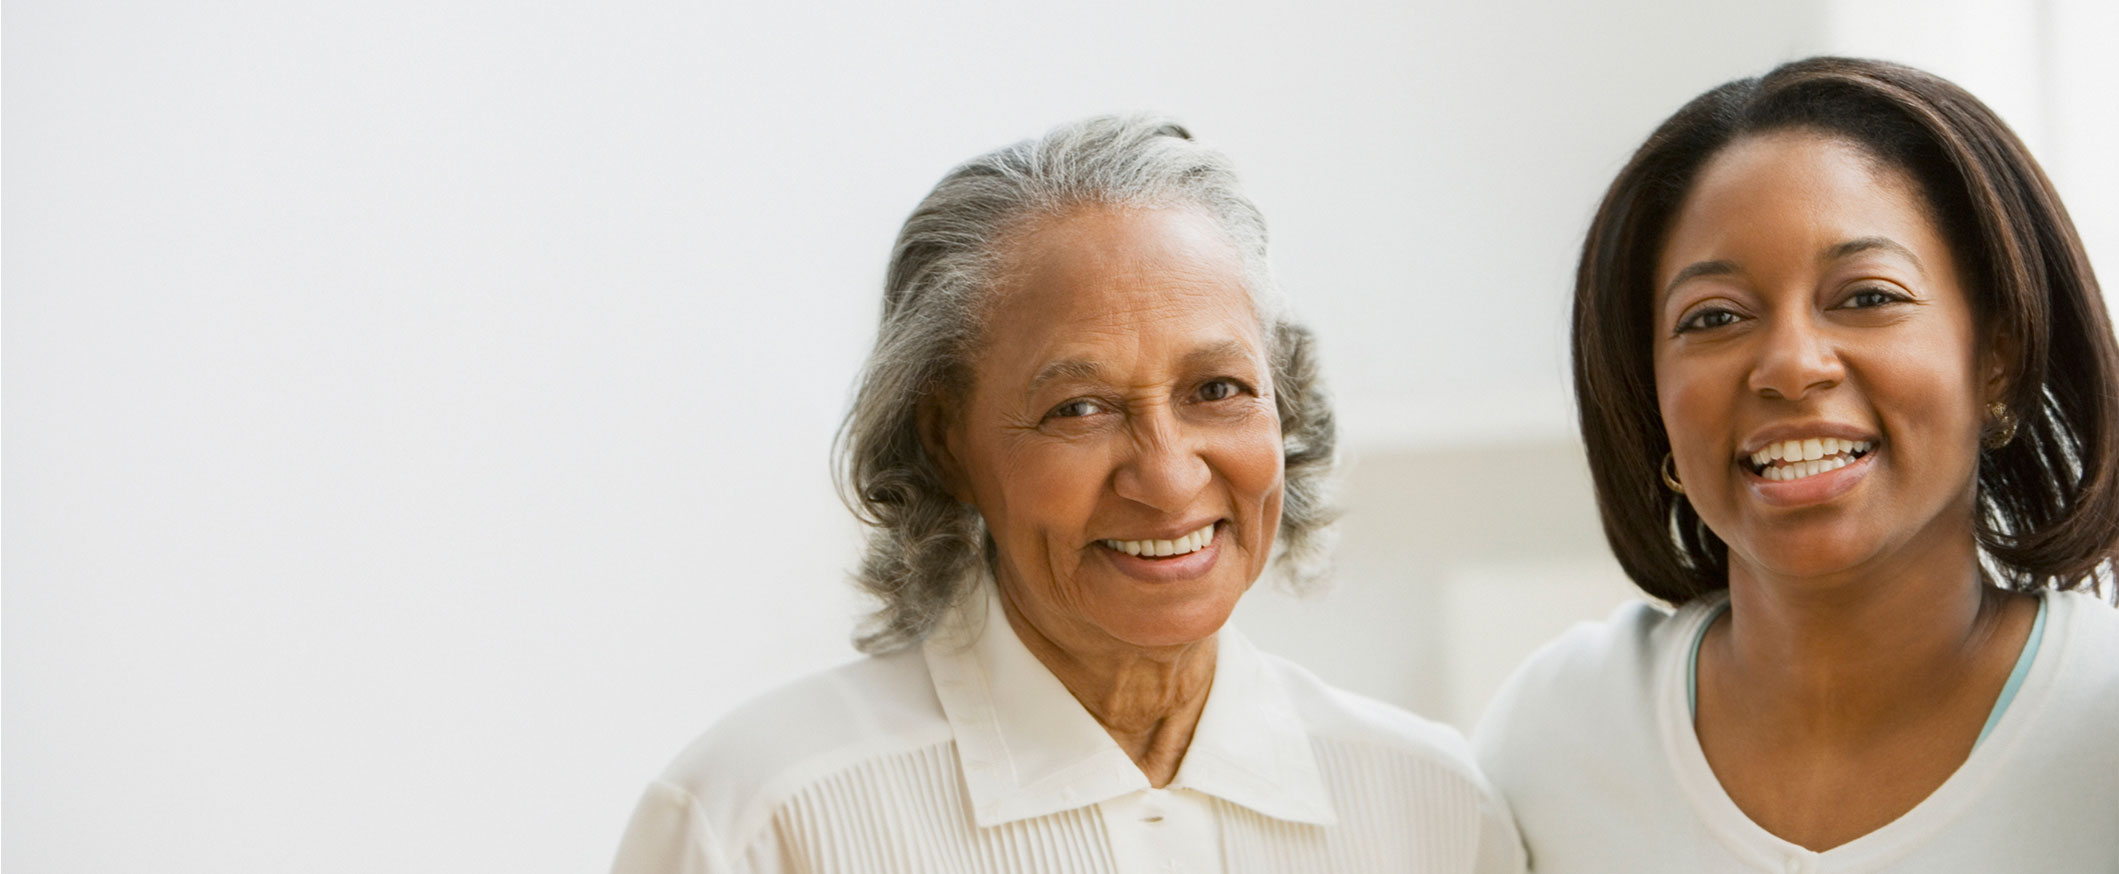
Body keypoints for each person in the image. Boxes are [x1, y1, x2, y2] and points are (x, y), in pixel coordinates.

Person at [610, 115, 1524, 874]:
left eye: (1217, 389)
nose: (1167, 476)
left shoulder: (1433, 809)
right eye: (1077, 408)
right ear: (944, 441)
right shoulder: (759, 819)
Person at [1475, 57, 2119, 872]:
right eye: (1712, 316)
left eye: (1866, 297)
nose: (1789, 365)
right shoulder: (1560, 730)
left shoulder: (2102, 725)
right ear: (1651, 396)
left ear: (1995, 355)